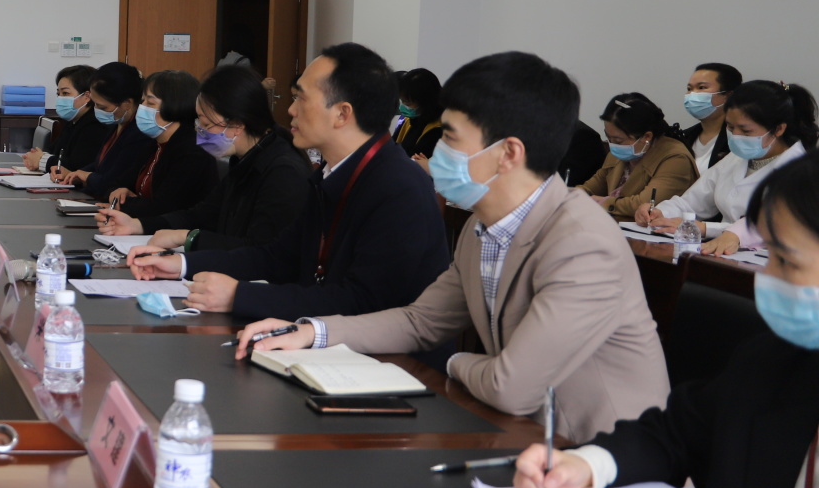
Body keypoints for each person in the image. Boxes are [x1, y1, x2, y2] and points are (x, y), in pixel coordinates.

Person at [232, 52, 668, 443]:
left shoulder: (583, 244)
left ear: (508, 154)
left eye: (452, 139)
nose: (438, 152)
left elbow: (509, 387)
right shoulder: (484, 225)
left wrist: (453, 362)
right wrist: (313, 332)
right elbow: (421, 320)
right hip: (522, 438)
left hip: (601, 462)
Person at [515, 156, 819, 488]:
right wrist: (586, 465)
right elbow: (675, 433)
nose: (765, 278)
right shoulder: (776, 357)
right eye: (768, 255)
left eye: (785, 261)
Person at [126, 42, 450, 319]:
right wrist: (182, 264)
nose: (291, 110)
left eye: (301, 98)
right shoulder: (330, 174)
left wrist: (239, 296)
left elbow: (363, 301)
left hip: (387, 362)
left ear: (342, 113)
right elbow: (277, 256)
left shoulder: (397, 186)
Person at [99, 63, 314, 249]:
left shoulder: (282, 171)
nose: (199, 131)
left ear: (237, 124)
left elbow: (260, 250)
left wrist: (187, 239)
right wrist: (137, 225)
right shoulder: (244, 160)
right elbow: (202, 214)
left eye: (206, 124)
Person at [638, 79, 813, 254]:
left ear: (779, 129)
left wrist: (706, 228)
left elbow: (772, 223)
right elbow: (692, 201)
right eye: (730, 127)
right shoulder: (737, 158)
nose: (735, 136)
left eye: (745, 131)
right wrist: (660, 212)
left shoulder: (801, 170)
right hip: (724, 253)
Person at [92, 70, 217, 225]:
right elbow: (116, 183)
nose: (141, 107)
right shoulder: (153, 143)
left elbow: (163, 207)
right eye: (142, 101)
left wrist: (124, 204)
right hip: (145, 227)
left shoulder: (192, 150)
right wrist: (118, 192)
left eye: (150, 103)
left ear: (175, 106)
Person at [572, 93, 696, 221]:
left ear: (647, 136)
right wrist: (570, 197)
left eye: (618, 140)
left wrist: (604, 202)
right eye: (608, 138)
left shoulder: (676, 159)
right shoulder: (620, 153)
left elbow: (643, 204)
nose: (613, 145)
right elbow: (591, 187)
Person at [50, 61, 152, 194]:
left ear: (127, 103)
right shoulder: (117, 123)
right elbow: (100, 165)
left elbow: (116, 180)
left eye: (102, 107)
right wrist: (75, 173)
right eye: (95, 104)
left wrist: (87, 177)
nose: (96, 110)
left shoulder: (139, 133)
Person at [24, 65, 105, 174]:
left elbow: (77, 166)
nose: (60, 98)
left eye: (65, 93)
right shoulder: (73, 121)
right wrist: (37, 156)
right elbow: (54, 152)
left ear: (87, 96)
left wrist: (41, 160)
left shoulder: (95, 124)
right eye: (58, 94)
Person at [676, 61, 743, 172]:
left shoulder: (739, 139)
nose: (692, 94)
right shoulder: (683, 137)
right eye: (689, 89)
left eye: (702, 87)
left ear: (728, 96)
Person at [392, 68, 444, 160]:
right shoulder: (409, 119)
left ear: (425, 102)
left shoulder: (438, 131)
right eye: (402, 101)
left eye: (408, 103)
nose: (402, 107)